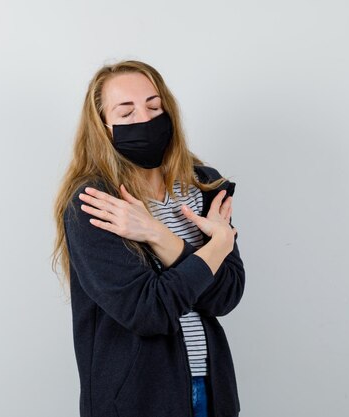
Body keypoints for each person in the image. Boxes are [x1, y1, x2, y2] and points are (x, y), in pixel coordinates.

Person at [52, 60, 245, 417]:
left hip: (211, 389)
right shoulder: (96, 203)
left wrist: (158, 234)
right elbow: (148, 312)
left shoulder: (204, 185)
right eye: (126, 113)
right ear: (104, 127)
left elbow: (226, 294)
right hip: (137, 399)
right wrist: (216, 247)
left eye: (154, 107)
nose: (144, 119)